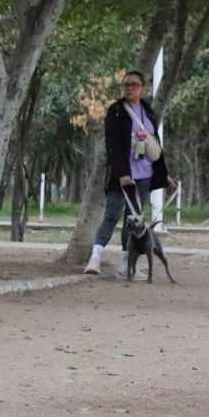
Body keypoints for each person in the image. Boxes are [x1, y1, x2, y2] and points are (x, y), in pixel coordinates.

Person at [83, 71, 177, 276]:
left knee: (133, 221)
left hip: (144, 175)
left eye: (134, 85)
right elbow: (113, 146)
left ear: (142, 87)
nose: (129, 88)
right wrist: (122, 172)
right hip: (123, 176)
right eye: (126, 85)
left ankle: (125, 265)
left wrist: (164, 174)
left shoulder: (148, 111)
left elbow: (154, 145)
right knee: (112, 215)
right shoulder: (115, 111)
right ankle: (95, 259)